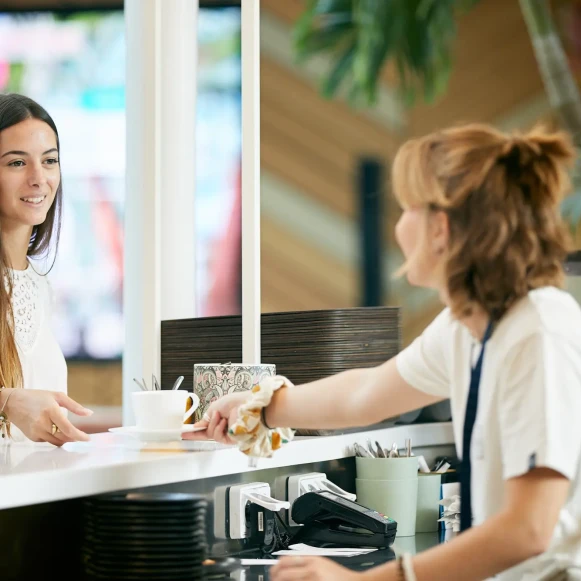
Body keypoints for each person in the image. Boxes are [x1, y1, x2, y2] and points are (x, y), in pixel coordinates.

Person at [188, 122, 581, 580]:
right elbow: (368, 392)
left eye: (407, 208)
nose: (398, 226)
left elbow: (528, 531)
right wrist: (260, 408)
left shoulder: (538, 331)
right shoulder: (467, 327)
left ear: (441, 227)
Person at [0, 93, 92, 446]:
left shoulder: (40, 286)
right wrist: (7, 401)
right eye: (17, 163)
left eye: (49, 160)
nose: (39, 179)